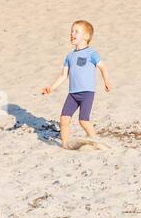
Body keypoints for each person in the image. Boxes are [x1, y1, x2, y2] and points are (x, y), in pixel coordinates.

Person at [40, 20, 113, 149]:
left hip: (87, 93)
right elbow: (64, 75)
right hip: (73, 94)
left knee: (83, 121)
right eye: (71, 31)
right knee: (64, 119)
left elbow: (103, 67)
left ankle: (95, 142)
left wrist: (106, 81)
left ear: (86, 36)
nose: (72, 33)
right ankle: (65, 144)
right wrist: (51, 88)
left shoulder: (92, 53)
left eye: (76, 31)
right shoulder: (69, 56)